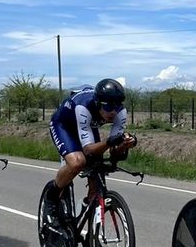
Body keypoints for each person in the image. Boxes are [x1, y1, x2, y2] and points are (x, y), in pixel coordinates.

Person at [43, 78, 137, 218]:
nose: (113, 112)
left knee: (96, 177)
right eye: (108, 107)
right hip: (64, 125)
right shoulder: (83, 107)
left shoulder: (120, 112)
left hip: (87, 126)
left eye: (117, 106)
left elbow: (114, 151)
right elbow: (88, 150)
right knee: (78, 162)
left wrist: (123, 145)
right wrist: (109, 142)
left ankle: (85, 211)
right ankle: (51, 197)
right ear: (98, 103)